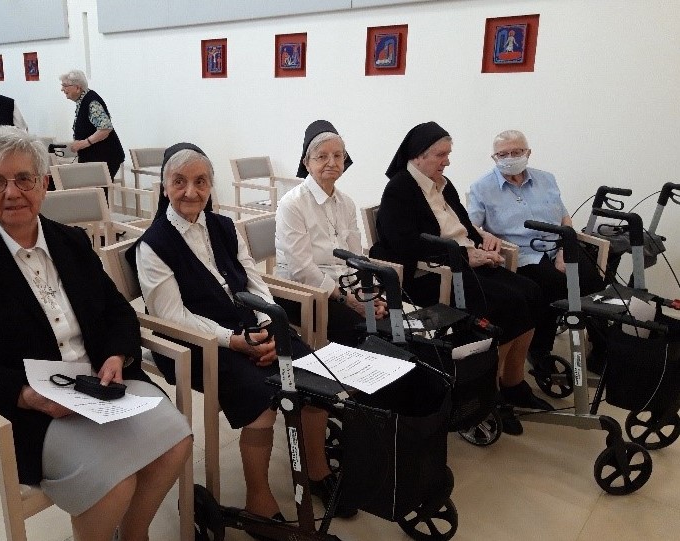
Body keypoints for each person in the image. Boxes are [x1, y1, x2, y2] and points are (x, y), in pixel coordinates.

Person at [0, 126, 192, 541]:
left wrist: (117, 355)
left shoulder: (71, 241)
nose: (12, 192)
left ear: (44, 184)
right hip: (16, 410)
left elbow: (117, 310)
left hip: (97, 385)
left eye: (24, 179)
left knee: (176, 443)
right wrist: (24, 394)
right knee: (113, 483)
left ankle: (133, 535)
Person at [130, 143, 355, 525]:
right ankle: (258, 497)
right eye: (179, 182)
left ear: (210, 185)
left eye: (201, 181)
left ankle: (317, 470)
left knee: (315, 377)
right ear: (164, 185)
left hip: (252, 328)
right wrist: (233, 341)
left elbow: (253, 279)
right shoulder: (153, 245)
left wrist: (268, 325)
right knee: (262, 397)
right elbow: (172, 315)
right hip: (196, 343)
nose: (191, 192)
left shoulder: (224, 226)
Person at [370, 121, 551, 435]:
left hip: (463, 263)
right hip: (431, 276)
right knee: (507, 304)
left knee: (532, 292)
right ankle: (490, 394)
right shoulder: (400, 189)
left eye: (448, 154)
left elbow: (463, 225)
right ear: (418, 156)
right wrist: (466, 255)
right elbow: (404, 244)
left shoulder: (443, 183)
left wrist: (482, 240)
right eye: (441, 155)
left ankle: (514, 383)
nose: (447, 161)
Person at [468, 129, 605, 369]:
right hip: (523, 253)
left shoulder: (546, 179)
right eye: (503, 154)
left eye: (516, 152)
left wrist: (564, 248)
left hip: (559, 244)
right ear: (494, 158)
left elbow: (565, 218)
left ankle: (601, 349)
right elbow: (469, 226)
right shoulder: (482, 187)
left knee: (594, 283)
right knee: (554, 286)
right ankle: (540, 350)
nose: (510, 158)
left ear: (528, 153)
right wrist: (486, 234)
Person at [276, 119, 386, 346]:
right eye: (322, 156)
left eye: (338, 156)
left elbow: (356, 256)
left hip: (345, 287)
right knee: (364, 333)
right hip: (304, 293)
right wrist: (349, 300)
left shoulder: (346, 203)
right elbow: (302, 269)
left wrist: (368, 292)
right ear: (307, 163)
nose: (332, 162)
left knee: (390, 318)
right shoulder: (292, 204)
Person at [59, 69, 125, 179]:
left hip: (104, 157)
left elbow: (105, 129)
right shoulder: (83, 100)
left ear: (77, 87)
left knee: (96, 189)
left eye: (65, 86)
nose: (62, 89)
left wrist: (84, 143)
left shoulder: (91, 102)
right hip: (96, 158)